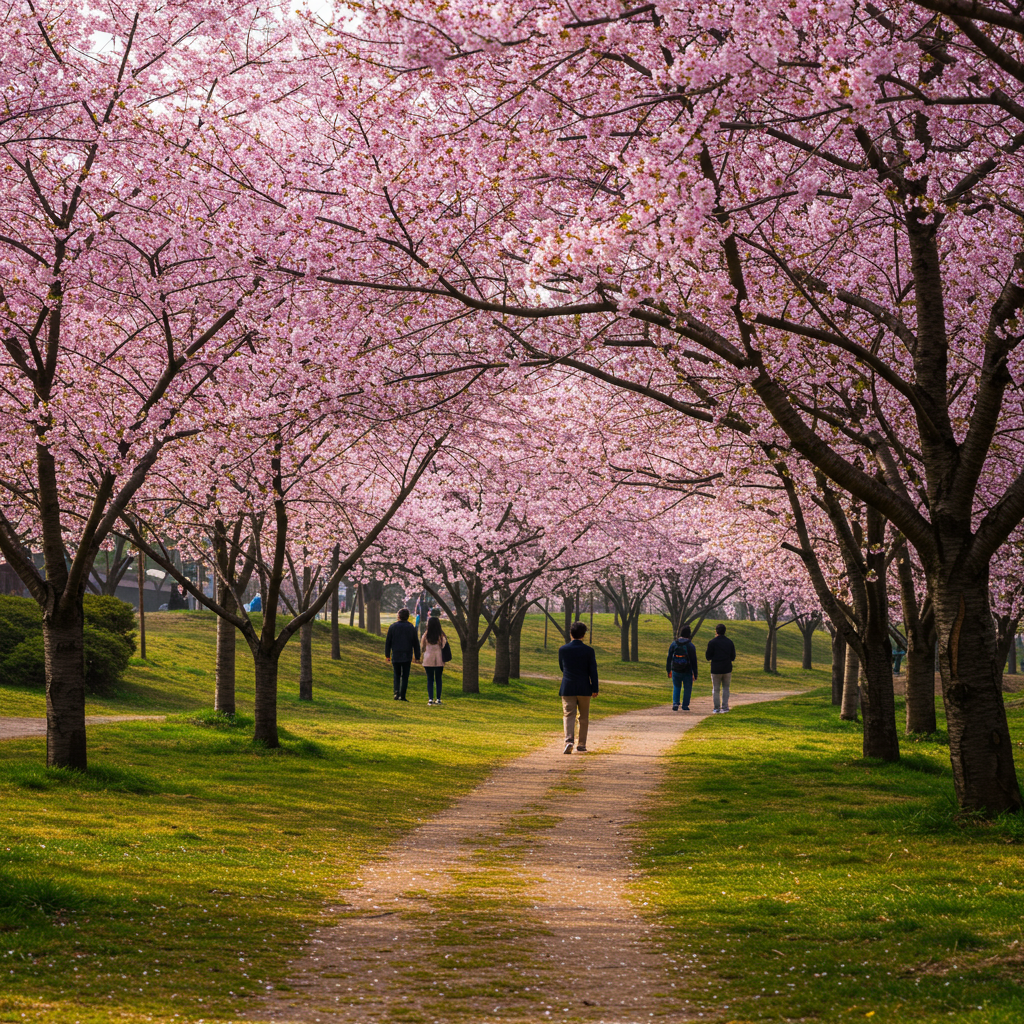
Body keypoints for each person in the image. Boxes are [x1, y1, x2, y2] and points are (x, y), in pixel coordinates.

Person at [558, 620, 599, 754]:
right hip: (584, 687)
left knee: (568, 714)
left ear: (571, 634)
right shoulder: (589, 651)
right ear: (583, 635)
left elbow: (562, 668)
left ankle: (569, 741)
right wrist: (595, 688)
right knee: (583, 717)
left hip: (568, 686)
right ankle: (581, 744)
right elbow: (593, 670)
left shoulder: (563, 649)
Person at [384, 608, 421, 702]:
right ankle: (403, 695)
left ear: (398, 616)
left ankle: (396, 693)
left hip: (396, 654)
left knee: (396, 675)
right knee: (405, 676)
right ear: (407, 617)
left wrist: (387, 655)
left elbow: (388, 642)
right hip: (407, 655)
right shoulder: (411, 627)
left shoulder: (392, 627)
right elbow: (415, 643)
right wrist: (417, 656)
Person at [705, 623, 736, 714]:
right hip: (727, 668)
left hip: (716, 669)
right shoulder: (729, 642)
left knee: (716, 689)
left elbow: (708, 656)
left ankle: (716, 708)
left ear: (716, 631)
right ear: (725, 631)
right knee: (726, 688)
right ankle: (725, 707)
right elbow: (733, 657)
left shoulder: (712, 642)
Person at [666, 625, 698, 711]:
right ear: (689, 635)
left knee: (676, 686)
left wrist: (668, 670)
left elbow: (669, 657)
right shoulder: (690, 645)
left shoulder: (674, 644)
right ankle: (685, 705)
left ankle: (675, 703)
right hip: (687, 670)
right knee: (687, 687)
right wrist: (695, 673)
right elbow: (694, 661)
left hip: (676, 669)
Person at [420, 615, 449, 705]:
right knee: (438, 679)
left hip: (428, 658)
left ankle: (430, 699)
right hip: (439, 659)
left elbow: (422, 646)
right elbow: (444, 646)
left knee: (430, 679)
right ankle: (438, 699)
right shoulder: (441, 636)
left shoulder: (426, 635)